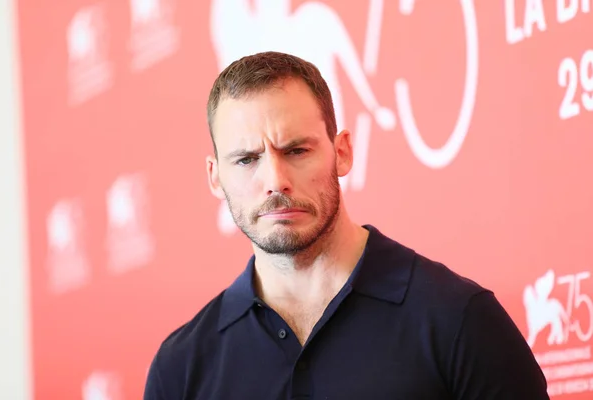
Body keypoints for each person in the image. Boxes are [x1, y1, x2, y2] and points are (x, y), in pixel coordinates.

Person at [143, 51, 549, 399]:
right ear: (216, 177)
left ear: (342, 153)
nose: (275, 181)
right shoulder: (181, 368)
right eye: (247, 159)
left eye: (296, 150)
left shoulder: (458, 320)